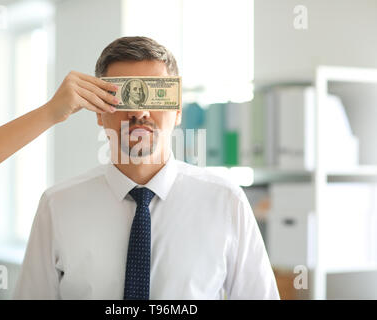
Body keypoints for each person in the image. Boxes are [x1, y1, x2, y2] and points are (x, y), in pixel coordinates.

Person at [14, 36, 280, 300]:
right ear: (97, 111)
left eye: (153, 95)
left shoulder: (226, 202)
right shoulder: (57, 206)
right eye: (123, 96)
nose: (139, 113)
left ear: (177, 110)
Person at [0, 72, 119, 211]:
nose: (139, 114)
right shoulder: (56, 204)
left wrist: (51, 112)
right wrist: (50, 112)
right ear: (99, 116)